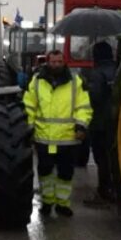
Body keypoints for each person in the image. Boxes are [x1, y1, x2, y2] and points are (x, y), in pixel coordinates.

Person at [23, 50, 92, 217]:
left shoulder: (76, 82)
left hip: (67, 139)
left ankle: (62, 204)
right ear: (48, 62)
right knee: (45, 172)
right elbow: (29, 106)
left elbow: (83, 107)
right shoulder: (37, 82)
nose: (55, 65)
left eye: (59, 61)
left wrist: (81, 127)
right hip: (43, 138)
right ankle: (47, 203)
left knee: (65, 173)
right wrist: (29, 127)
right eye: (53, 62)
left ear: (64, 62)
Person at [83, 41, 117, 207]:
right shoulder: (119, 68)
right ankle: (116, 190)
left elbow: (94, 97)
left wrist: (85, 88)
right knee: (114, 156)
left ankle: (104, 191)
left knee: (101, 158)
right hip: (117, 121)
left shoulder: (96, 74)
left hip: (100, 123)